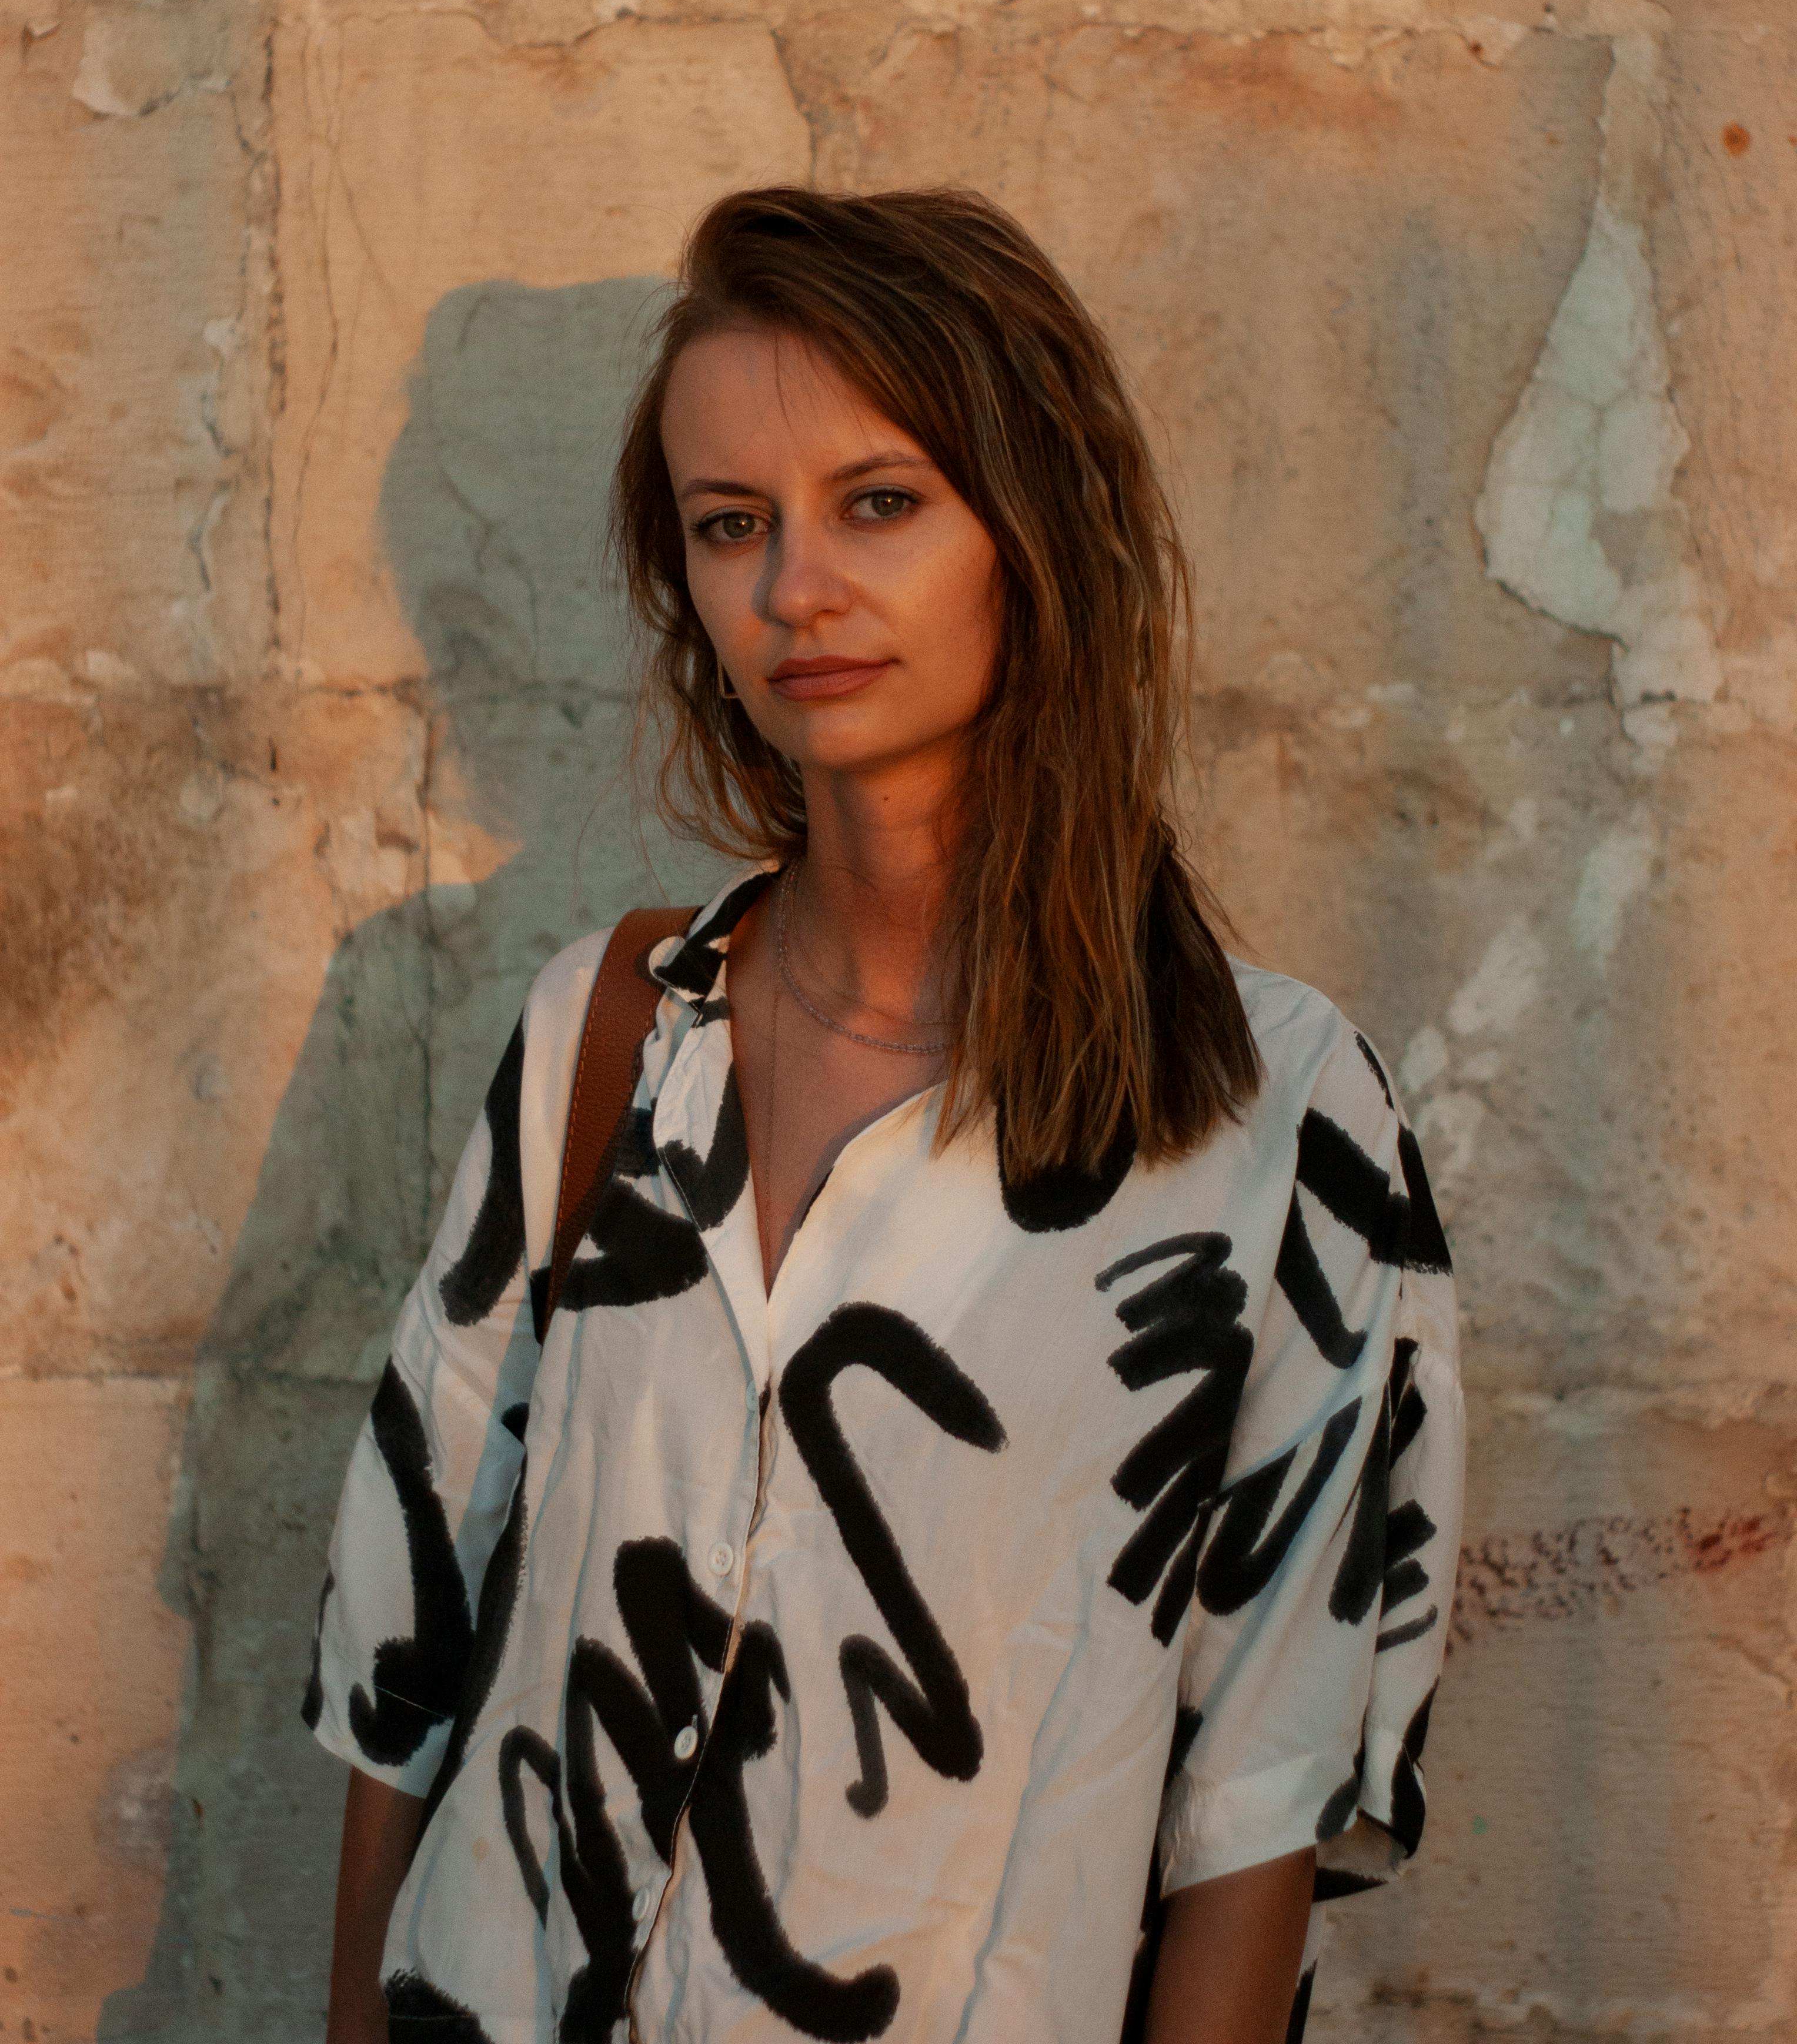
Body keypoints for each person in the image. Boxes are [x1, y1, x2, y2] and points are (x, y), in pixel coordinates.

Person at [305, 188, 1464, 2044]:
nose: (795, 591)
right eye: (730, 525)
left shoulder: (1274, 1115)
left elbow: (1261, 1808)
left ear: (1036, 527)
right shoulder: (608, 1038)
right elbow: (404, 1646)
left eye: (880, 502)